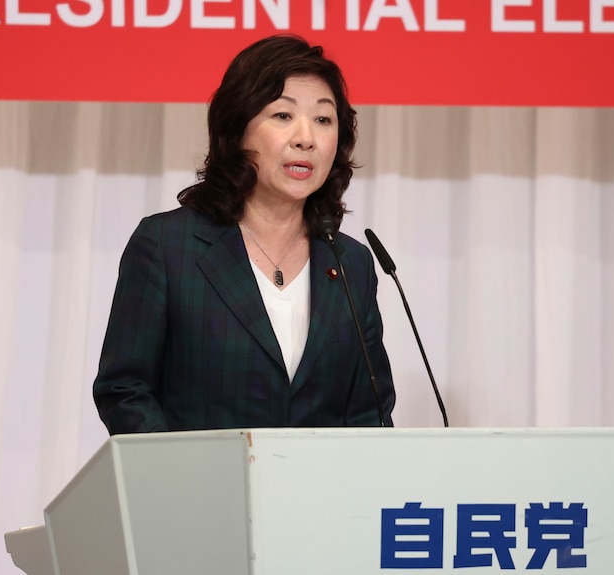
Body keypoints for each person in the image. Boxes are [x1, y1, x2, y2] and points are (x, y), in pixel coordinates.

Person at [92, 35, 395, 434]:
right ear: (237, 130)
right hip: (199, 491)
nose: (306, 138)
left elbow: (368, 414)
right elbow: (125, 389)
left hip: (318, 494)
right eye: (283, 116)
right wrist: (175, 478)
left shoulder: (351, 264)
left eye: (323, 119)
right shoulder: (168, 247)